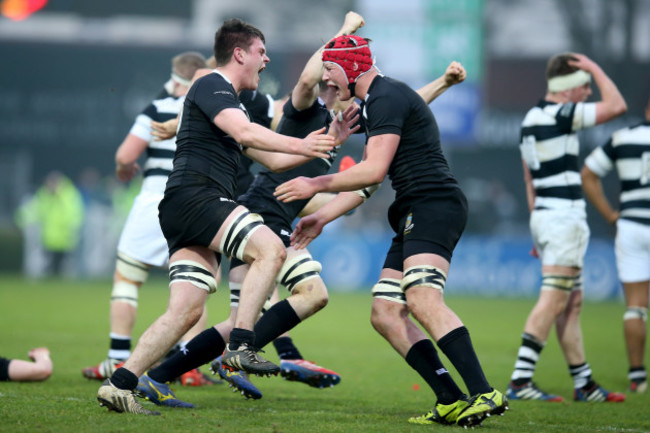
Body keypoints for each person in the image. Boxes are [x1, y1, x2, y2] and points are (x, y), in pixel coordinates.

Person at [96, 18, 337, 415]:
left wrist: (325, 144)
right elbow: (246, 134)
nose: (267, 59)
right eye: (261, 52)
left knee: (187, 310)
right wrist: (302, 141)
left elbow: (273, 158)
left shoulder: (230, 102)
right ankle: (241, 345)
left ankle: (121, 384)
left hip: (186, 208)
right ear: (239, 53)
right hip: (198, 198)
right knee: (271, 250)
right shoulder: (210, 83)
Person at [274, 34, 507, 428]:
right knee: (385, 312)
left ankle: (484, 391)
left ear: (351, 68)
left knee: (421, 298)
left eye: (329, 71)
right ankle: (450, 399)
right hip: (413, 209)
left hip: (434, 204)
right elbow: (370, 179)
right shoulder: (380, 101)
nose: (326, 81)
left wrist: (314, 185)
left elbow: (373, 172)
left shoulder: (385, 97)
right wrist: (322, 216)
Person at [81, 51, 214, 387]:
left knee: (127, 279)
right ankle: (190, 365)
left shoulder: (158, 108)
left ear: (176, 77)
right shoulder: (213, 109)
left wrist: (124, 169)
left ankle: (116, 358)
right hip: (196, 203)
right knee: (193, 286)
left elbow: (125, 155)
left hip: (155, 198)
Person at [506, 53, 627, 403]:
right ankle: (520, 380)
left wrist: (535, 226)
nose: (589, 92)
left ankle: (584, 384)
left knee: (571, 302)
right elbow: (616, 106)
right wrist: (596, 66)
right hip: (563, 218)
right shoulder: (561, 114)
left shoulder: (531, 117)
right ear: (569, 87)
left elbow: (529, 179)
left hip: (547, 215)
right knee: (555, 300)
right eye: (584, 85)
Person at [581, 98, 650, 394]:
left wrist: (610, 214)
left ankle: (638, 377)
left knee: (635, 306)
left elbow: (588, 173)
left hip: (632, 224)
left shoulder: (624, 137)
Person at [15, 171, 85, 277]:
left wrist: (73, 230)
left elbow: (76, 214)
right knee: (48, 266)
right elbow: (34, 210)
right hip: (48, 237)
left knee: (66, 265)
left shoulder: (70, 194)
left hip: (66, 237)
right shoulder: (43, 194)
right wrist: (20, 221)